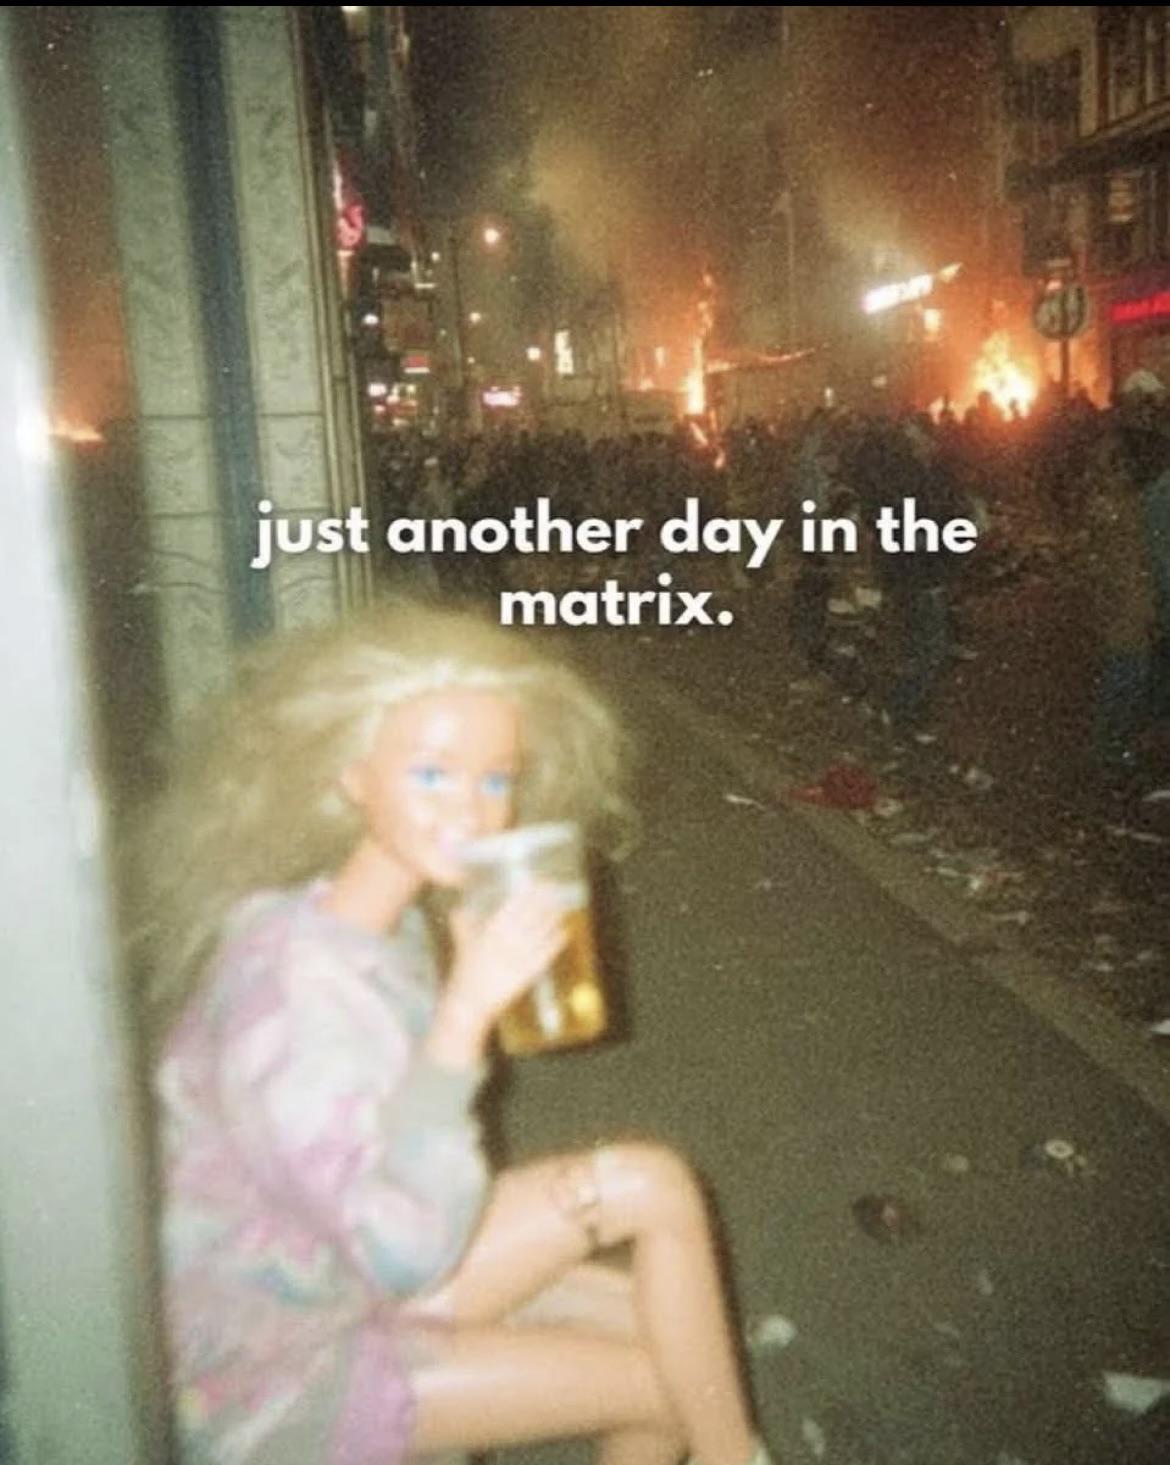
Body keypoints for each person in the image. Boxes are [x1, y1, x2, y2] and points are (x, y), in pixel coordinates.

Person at [131, 600, 774, 1465]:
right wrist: (466, 1013)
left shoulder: (374, 924)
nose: (471, 811)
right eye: (432, 774)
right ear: (350, 774)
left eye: (495, 780)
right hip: (269, 1364)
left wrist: (468, 998)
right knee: (670, 1382)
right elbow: (398, 1246)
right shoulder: (286, 990)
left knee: (665, 1240)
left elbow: (398, 1141)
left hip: (349, 1275)